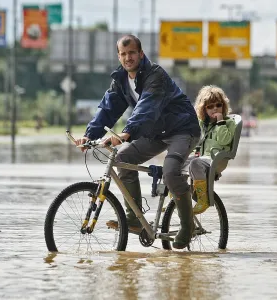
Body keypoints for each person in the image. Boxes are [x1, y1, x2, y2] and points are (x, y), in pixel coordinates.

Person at [75, 35, 201, 249]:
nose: (128, 58)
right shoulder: (121, 80)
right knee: (123, 157)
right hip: (157, 132)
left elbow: (147, 108)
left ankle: (187, 227)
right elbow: (108, 109)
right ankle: (134, 219)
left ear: (141, 54)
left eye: (132, 53)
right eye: (123, 54)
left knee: (170, 171)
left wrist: (126, 133)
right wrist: (89, 135)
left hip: (182, 129)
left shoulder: (155, 75)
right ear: (119, 56)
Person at [185, 85, 236, 214]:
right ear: (204, 109)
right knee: (177, 161)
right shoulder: (202, 124)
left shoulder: (228, 123)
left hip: (216, 160)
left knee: (195, 163)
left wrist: (220, 122)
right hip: (201, 157)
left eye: (218, 105)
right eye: (210, 106)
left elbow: (224, 140)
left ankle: (203, 199)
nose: (215, 109)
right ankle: (177, 194)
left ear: (223, 106)